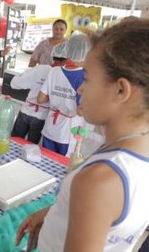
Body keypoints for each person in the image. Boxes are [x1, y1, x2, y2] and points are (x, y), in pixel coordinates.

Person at [16, 18, 149, 252]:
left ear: (120, 90)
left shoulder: (98, 180)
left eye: (87, 78)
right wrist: (53, 213)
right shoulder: (134, 150)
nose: (80, 89)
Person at [36, 34, 89, 156]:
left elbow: (40, 99)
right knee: (61, 168)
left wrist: (57, 97)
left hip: (50, 128)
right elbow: (81, 111)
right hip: (68, 132)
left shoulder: (54, 71)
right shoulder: (85, 77)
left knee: (46, 162)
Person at [10, 42, 67, 144]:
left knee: (14, 143)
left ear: (53, 57)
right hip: (41, 117)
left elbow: (14, 83)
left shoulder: (41, 69)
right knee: (31, 150)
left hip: (25, 112)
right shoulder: (64, 76)